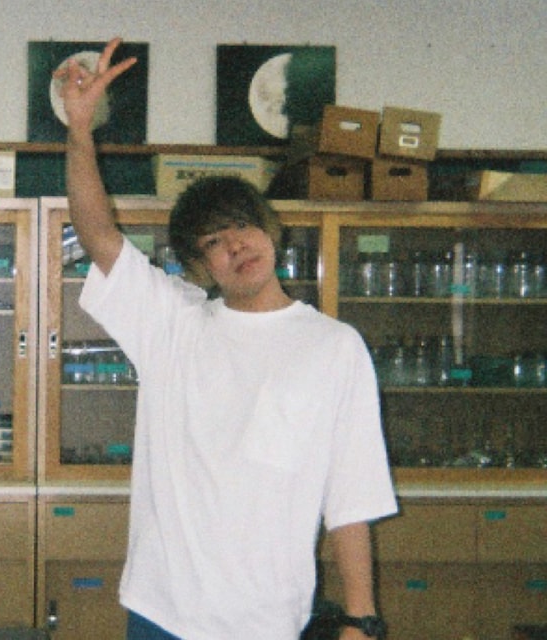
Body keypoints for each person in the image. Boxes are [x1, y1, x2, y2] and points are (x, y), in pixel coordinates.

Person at [60, 37, 398, 640]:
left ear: (268, 230)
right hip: (163, 612)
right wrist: (80, 129)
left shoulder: (335, 347)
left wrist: (361, 619)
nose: (236, 245)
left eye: (242, 226)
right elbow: (98, 234)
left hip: (266, 620)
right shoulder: (173, 323)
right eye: (214, 241)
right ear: (200, 267)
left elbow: (352, 494)